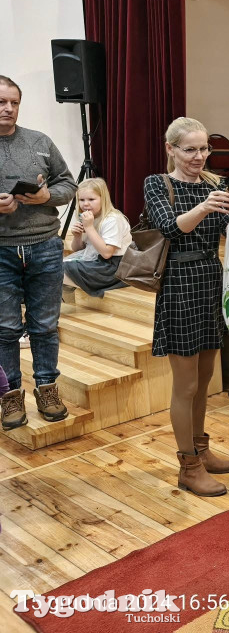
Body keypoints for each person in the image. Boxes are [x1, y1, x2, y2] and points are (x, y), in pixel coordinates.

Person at [144, 117, 229, 496]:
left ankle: (201, 451)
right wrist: (207, 207)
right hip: (178, 284)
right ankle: (188, 467)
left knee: (206, 379)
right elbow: (173, 229)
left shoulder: (215, 185)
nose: (199, 156)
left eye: (204, 148)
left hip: (210, 278)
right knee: (186, 383)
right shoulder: (158, 184)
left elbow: (227, 237)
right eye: (190, 149)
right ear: (171, 149)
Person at [0, 75, 77, 430]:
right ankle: (10, 395)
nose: (8, 109)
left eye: (14, 102)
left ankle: (47, 388)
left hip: (44, 247)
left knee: (45, 326)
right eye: (2, 102)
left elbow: (67, 183)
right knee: (5, 329)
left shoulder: (39, 142)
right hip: (1, 251)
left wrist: (48, 197)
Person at [63, 177, 132, 297]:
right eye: (82, 200)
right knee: (51, 266)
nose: (85, 204)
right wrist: (77, 236)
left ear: (103, 199)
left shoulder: (113, 219)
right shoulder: (89, 217)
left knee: (57, 270)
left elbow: (106, 253)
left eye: (91, 199)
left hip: (112, 267)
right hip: (95, 260)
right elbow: (78, 249)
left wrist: (89, 228)